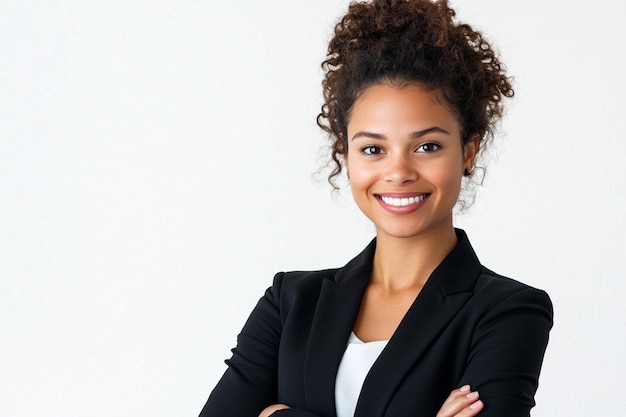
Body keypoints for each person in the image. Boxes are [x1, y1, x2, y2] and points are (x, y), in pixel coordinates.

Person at [199, 0, 553, 416]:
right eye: (373, 148)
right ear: (346, 157)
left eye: (427, 146)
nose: (398, 171)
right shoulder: (290, 303)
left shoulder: (508, 312)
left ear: (469, 151)